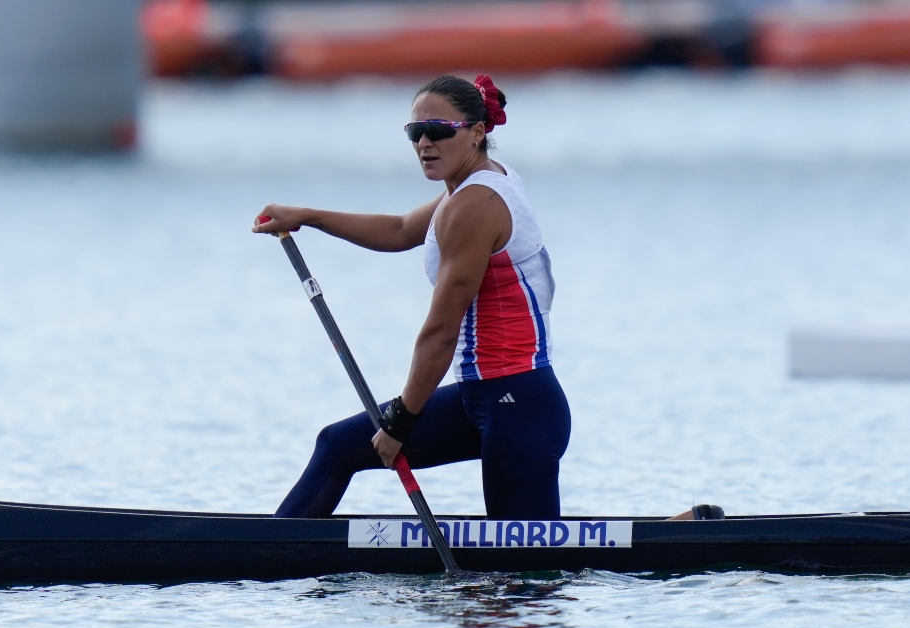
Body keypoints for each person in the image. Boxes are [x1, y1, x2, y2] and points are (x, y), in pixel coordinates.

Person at [254, 74, 721, 522]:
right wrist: (307, 216)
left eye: (438, 130)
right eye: (415, 131)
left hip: (519, 402)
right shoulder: (471, 186)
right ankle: (264, 553)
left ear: (477, 133)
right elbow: (398, 231)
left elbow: (441, 331)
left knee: (522, 570)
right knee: (338, 446)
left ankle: (687, 533)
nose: (424, 143)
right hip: (478, 398)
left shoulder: (475, 206)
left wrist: (399, 421)